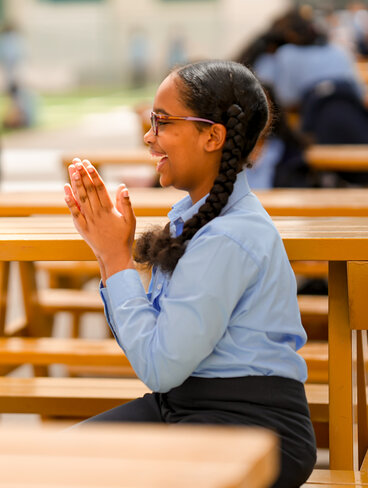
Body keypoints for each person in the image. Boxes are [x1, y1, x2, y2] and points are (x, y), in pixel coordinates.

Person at [65, 60, 316, 488]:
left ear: (212, 136)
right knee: (54, 462)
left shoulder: (229, 237)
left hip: (255, 428)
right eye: (151, 120)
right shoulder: (195, 217)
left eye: (162, 122)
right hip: (184, 407)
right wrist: (111, 257)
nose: (149, 136)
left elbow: (160, 366)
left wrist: (115, 258)